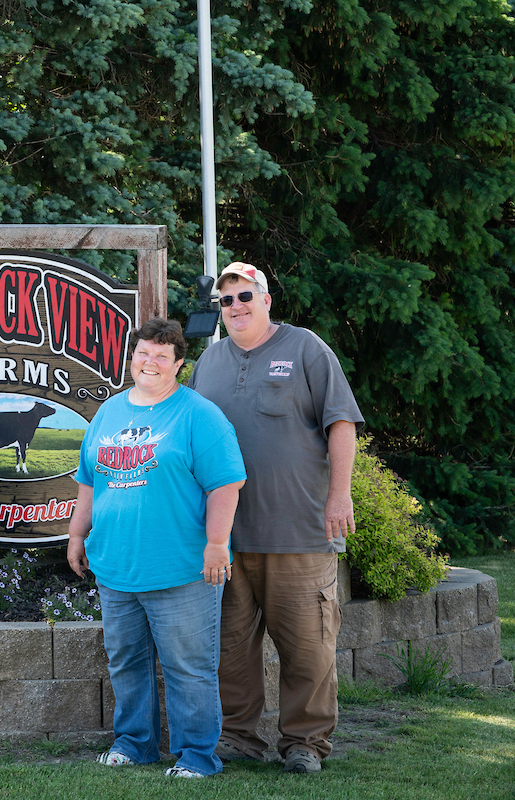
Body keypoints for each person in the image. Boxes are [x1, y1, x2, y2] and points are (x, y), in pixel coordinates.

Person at [188, 262, 364, 774]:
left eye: (245, 296)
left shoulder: (306, 348)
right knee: (231, 649)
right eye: (226, 300)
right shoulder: (210, 361)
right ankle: (238, 737)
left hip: (299, 532)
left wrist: (339, 497)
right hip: (225, 537)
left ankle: (305, 744)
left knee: (308, 648)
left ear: (266, 299)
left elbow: (341, 423)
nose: (236, 306)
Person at [68, 318, 246, 779]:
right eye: (143, 353)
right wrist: (75, 534)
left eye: (161, 356)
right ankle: (135, 744)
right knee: (126, 662)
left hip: (182, 568)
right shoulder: (108, 413)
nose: (150, 362)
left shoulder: (198, 415)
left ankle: (197, 757)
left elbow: (226, 484)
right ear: (132, 359)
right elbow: (88, 481)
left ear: (178, 364)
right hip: (116, 565)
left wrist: (216, 544)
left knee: (189, 667)